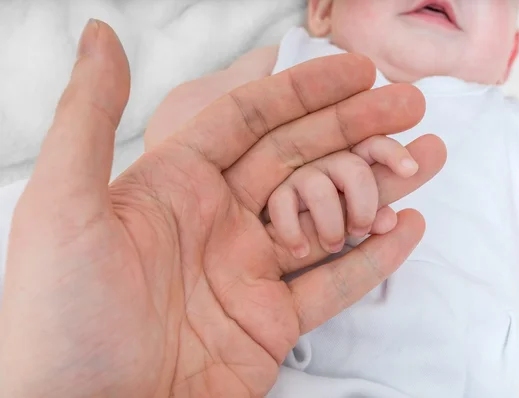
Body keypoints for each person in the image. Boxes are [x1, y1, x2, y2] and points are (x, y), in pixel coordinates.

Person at [144, 1, 519, 397]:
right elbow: (187, 143)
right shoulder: (293, 64)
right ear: (324, 9)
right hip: (245, 358)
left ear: (509, 56)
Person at [0, 20, 446, 398]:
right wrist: (244, 196)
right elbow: (189, 130)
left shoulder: (513, 117)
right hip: (260, 341)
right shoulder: (300, 56)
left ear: (514, 52)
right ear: (324, 12)